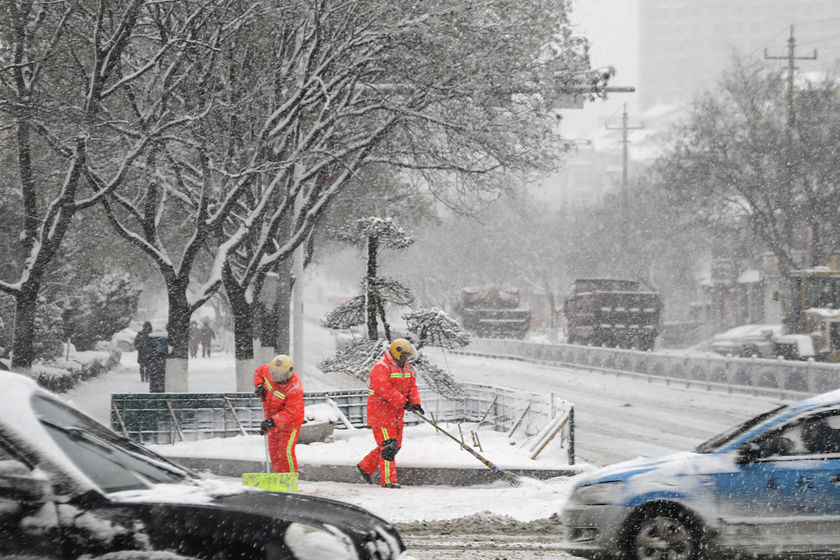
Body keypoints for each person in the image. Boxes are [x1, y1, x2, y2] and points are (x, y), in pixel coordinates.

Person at [356, 338, 423, 488]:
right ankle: (389, 481)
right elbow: (383, 389)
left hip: (396, 414)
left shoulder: (405, 367)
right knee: (388, 447)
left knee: (396, 445)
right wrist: (403, 401)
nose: (406, 358)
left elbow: (412, 386)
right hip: (381, 414)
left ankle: (365, 466)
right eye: (404, 355)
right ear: (396, 352)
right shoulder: (381, 367)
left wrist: (415, 402)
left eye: (408, 355)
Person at [253, 354, 305, 474]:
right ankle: (279, 478)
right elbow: (258, 372)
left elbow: (291, 412)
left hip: (290, 424)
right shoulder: (270, 371)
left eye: (278, 375)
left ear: (288, 374)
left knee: (285, 452)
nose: (273, 377)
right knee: (274, 452)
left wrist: (273, 421)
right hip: (273, 421)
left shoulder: (294, 388)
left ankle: (290, 479)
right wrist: (259, 385)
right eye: (272, 373)